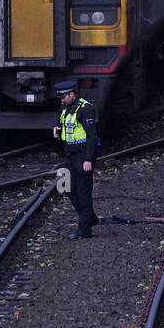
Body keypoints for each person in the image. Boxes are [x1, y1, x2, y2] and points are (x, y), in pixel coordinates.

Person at [53, 79, 101, 240]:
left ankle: (84, 230)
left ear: (72, 94)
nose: (61, 100)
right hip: (70, 153)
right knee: (65, 186)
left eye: (63, 97)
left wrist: (88, 159)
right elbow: (61, 121)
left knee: (83, 192)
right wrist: (57, 130)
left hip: (83, 154)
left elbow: (92, 137)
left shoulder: (85, 109)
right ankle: (90, 218)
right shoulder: (65, 107)